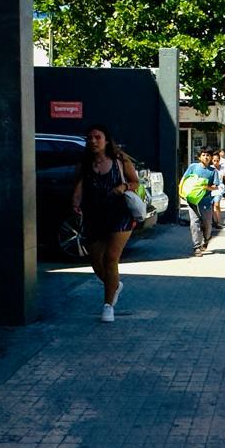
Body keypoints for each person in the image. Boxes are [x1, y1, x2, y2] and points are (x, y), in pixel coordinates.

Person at [71, 124, 140, 323]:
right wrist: (75, 202)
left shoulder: (120, 160)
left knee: (111, 259)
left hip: (120, 214)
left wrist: (123, 186)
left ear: (106, 140)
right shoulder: (85, 163)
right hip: (94, 214)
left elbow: (135, 182)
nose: (93, 141)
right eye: (90, 138)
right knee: (96, 262)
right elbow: (79, 185)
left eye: (97, 137)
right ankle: (115, 285)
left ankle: (108, 305)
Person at [182, 146, 220, 256]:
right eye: (203, 155)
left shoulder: (213, 171)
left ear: (211, 157)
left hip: (206, 202)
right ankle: (196, 246)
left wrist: (207, 187)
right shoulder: (193, 167)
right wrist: (182, 192)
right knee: (194, 223)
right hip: (192, 201)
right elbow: (184, 179)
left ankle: (207, 238)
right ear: (199, 157)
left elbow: (216, 186)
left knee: (207, 224)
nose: (206, 157)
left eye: (208, 155)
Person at [210, 150, 225, 230]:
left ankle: (219, 221)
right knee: (211, 205)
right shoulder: (210, 168)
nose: (216, 162)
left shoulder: (222, 168)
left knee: (217, 204)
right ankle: (214, 221)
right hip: (211, 188)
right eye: (214, 160)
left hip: (219, 188)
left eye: (217, 160)